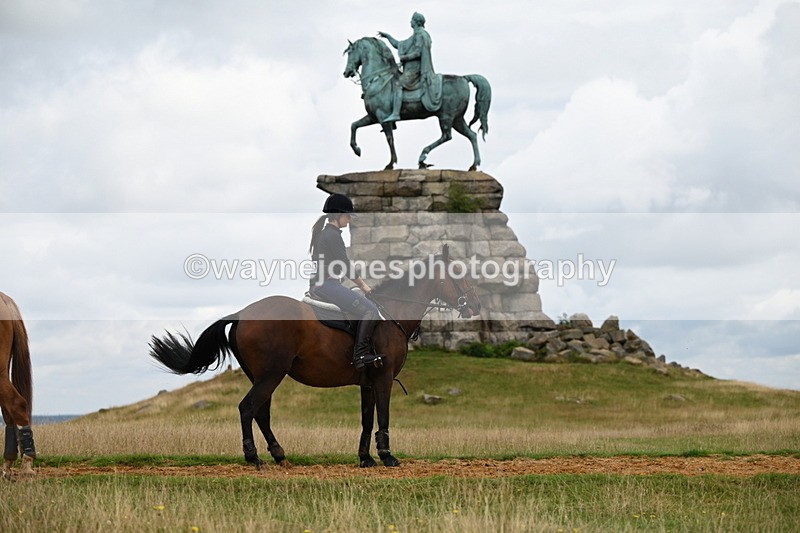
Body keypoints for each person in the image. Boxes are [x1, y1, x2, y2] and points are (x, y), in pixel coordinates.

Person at [309, 193, 385, 371]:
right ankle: (360, 355)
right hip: (327, 285)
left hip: (321, 284)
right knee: (371, 310)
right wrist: (364, 286)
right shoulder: (332, 235)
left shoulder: (323, 234)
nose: (349, 220)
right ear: (337, 215)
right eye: (347, 216)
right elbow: (345, 265)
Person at [379, 11, 442, 122]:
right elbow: (398, 44)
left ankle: (395, 113)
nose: (410, 22)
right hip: (410, 70)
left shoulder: (421, 35)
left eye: (412, 20)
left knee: (398, 85)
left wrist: (405, 58)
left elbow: (418, 52)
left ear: (416, 22)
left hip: (415, 70)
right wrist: (387, 36)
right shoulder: (415, 36)